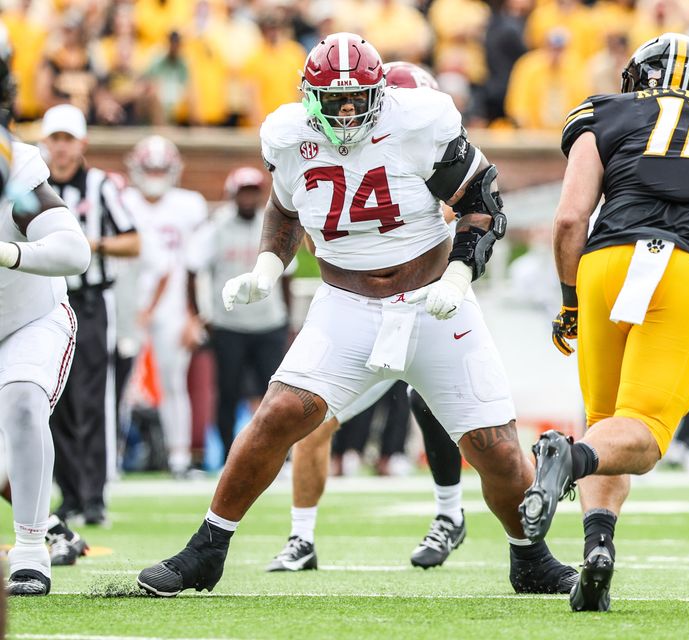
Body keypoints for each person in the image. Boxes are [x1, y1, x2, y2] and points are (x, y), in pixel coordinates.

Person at [137, 32, 577, 597]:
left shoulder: (418, 122)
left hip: (431, 304)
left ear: (380, 92)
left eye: (357, 98)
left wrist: (460, 275)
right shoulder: (290, 136)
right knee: (279, 414)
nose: (346, 111)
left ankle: (530, 558)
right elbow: (283, 208)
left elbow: (482, 205)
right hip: (344, 306)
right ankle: (208, 548)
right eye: (333, 99)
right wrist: (267, 269)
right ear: (308, 96)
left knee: (494, 445)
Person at [519, 33, 689, 612]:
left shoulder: (604, 111)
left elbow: (568, 218)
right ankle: (570, 458)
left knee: (607, 422)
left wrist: (570, 298)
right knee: (644, 436)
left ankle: (597, 552)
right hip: (683, 265)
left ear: (637, 78)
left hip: (607, 264)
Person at [265, 62, 470, 573]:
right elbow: (315, 232)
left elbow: (469, 212)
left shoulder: (429, 141)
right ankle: (301, 538)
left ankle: (450, 514)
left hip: (429, 304)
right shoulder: (336, 150)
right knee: (312, 419)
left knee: (450, 411)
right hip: (362, 312)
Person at [0, 42, 92, 596]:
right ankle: (55, 527)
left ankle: (32, 550)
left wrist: (9, 253)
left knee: (23, 399)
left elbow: (73, 251)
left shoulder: (11, 166)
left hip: (29, 316)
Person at [42, 104, 140, 527]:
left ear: (81, 143)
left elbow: (133, 241)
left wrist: (86, 246)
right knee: (53, 398)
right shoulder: (34, 186)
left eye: (68, 140)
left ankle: (95, 493)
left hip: (91, 300)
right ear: (45, 144)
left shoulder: (99, 185)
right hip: (46, 298)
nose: (61, 149)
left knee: (93, 397)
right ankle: (70, 493)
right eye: (55, 140)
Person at [185, 166, 293, 460]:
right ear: (233, 194)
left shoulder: (271, 224)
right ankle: (227, 454)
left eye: (252, 192)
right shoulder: (216, 227)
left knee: (275, 394)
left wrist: (287, 318)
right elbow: (193, 270)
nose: (247, 198)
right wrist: (199, 314)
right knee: (228, 393)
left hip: (269, 323)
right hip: (228, 324)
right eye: (243, 192)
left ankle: (277, 455)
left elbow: (287, 276)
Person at [122, 136, 207, 477]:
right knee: (118, 383)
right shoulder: (123, 200)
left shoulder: (189, 205)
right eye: (149, 168)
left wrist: (194, 315)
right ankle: (110, 459)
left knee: (173, 382)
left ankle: (179, 458)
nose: (155, 174)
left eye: (160, 168)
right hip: (127, 301)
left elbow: (197, 266)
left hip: (172, 304)